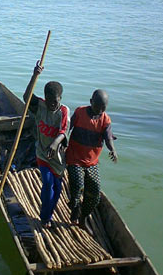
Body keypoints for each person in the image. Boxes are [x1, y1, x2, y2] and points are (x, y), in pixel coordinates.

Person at [23, 61, 69, 228]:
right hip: (42, 153)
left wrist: (55, 144)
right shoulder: (40, 106)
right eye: (49, 101)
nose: (51, 104)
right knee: (47, 183)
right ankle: (45, 218)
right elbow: (26, 97)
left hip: (57, 157)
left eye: (55, 101)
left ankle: (48, 213)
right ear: (45, 98)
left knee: (57, 189)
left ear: (60, 99)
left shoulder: (63, 111)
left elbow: (63, 132)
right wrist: (35, 75)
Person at [65, 89, 117, 228]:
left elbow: (108, 136)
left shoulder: (105, 119)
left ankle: (84, 216)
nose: (100, 110)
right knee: (77, 185)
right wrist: (62, 140)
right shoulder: (80, 112)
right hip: (74, 158)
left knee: (95, 191)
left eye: (103, 108)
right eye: (97, 106)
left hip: (91, 162)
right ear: (90, 102)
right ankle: (75, 209)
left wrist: (112, 149)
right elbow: (67, 128)